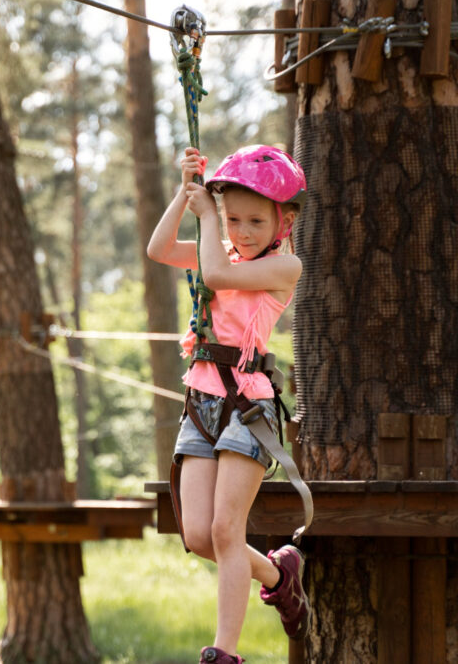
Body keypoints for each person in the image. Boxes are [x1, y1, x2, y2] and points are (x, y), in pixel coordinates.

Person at [146, 145, 312, 664]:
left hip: (247, 406)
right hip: (202, 401)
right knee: (197, 535)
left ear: (282, 221)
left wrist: (210, 218)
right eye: (233, 218)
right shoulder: (219, 250)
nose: (242, 231)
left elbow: (214, 275)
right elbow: (159, 248)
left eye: (256, 220)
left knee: (225, 530)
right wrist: (186, 190)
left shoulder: (286, 266)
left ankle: (225, 652)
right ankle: (278, 574)